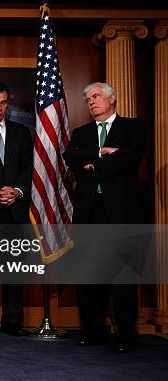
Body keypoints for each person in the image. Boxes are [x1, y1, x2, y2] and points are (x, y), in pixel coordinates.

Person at [63, 82, 145, 353]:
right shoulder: (82, 132)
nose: (91, 103)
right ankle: (93, 331)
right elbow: (71, 158)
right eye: (87, 100)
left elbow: (130, 160)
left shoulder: (133, 127)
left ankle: (125, 334)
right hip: (89, 213)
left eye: (96, 97)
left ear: (112, 98)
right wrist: (103, 154)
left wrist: (92, 166)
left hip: (121, 213)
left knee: (122, 277)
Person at [0, 81, 32, 337]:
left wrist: (17, 191)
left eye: (3, 102)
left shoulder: (22, 132)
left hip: (15, 209)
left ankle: (13, 321)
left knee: (15, 269)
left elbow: (28, 168)